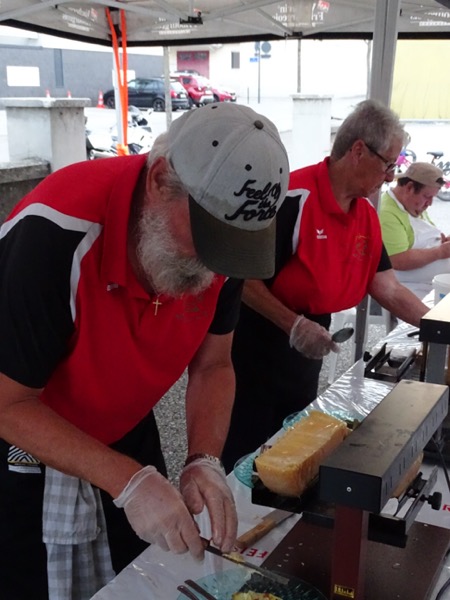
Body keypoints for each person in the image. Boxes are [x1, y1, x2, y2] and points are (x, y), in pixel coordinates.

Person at [0, 102, 289, 600]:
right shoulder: (55, 233)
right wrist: (126, 481)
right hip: (28, 442)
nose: (212, 269)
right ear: (158, 180)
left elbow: (214, 364)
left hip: (125, 425)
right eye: (206, 238)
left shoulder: (222, 250)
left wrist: (204, 459)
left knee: (142, 576)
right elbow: (7, 402)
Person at [221, 99, 431, 474]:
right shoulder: (292, 198)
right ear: (357, 151)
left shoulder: (365, 213)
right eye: (388, 164)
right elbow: (242, 279)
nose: (389, 176)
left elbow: (388, 288)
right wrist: (293, 325)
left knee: (292, 448)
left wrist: (439, 328)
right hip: (258, 344)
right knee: (247, 456)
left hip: (310, 342)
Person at [379, 162, 450, 300]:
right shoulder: (386, 212)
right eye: (427, 196)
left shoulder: (411, 204)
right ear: (409, 187)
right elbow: (397, 260)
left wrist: (442, 243)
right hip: (411, 284)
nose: (429, 203)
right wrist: (441, 251)